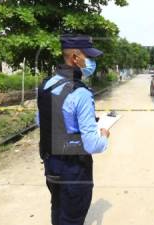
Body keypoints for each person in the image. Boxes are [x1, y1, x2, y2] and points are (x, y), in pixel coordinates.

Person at [36, 34, 110, 225]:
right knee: (72, 218)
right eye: (89, 57)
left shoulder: (46, 85)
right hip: (74, 170)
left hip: (50, 164)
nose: (91, 62)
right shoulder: (81, 93)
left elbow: (41, 121)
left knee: (57, 208)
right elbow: (92, 144)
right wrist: (104, 135)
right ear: (75, 58)